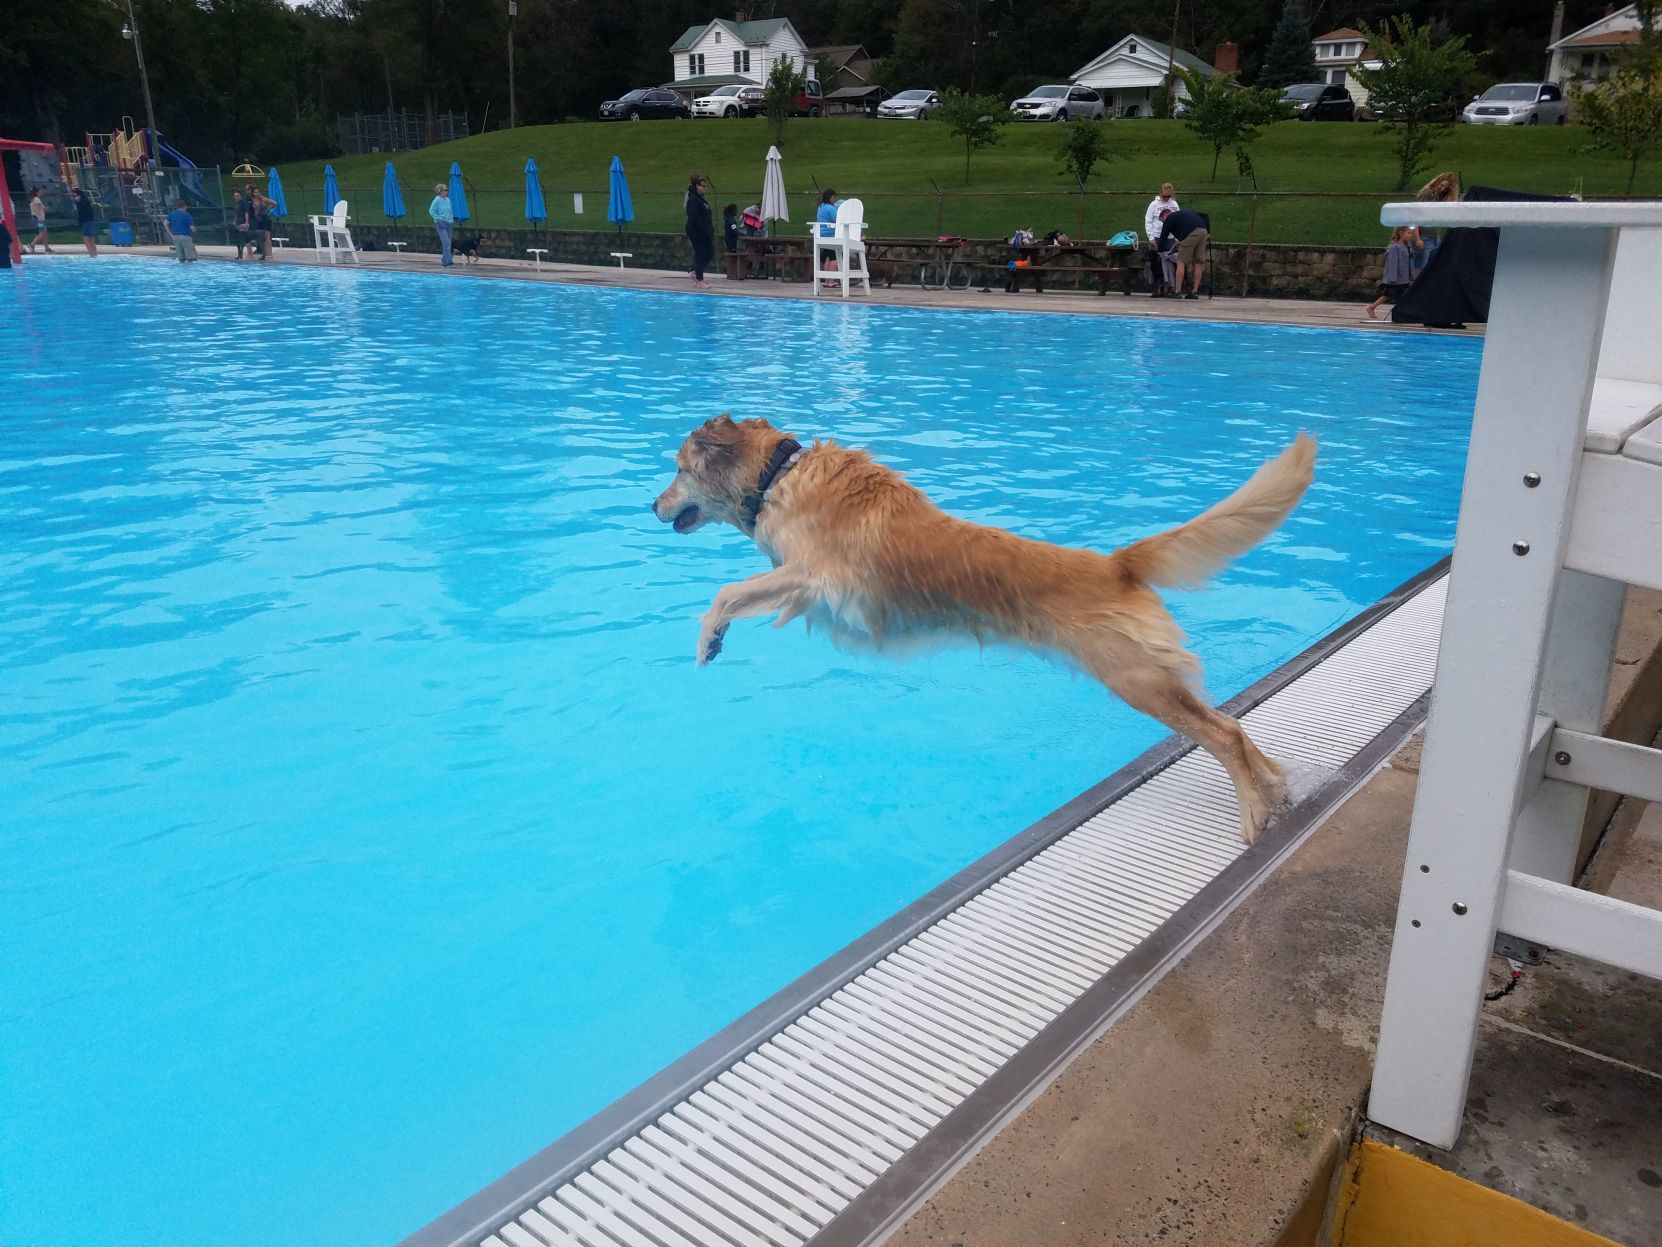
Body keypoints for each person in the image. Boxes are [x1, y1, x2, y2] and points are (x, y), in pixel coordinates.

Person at [1158, 205, 1210, 299]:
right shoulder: (1184, 213)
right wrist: (1208, 232)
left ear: (1165, 215)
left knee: (1180, 262)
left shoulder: (1169, 218)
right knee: (1198, 262)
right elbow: (1205, 216)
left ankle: (1177, 291)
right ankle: (1194, 291)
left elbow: (1163, 236)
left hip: (1191, 233)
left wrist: (1159, 251)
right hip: (1203, 230)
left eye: (1162, 221)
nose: (1164, 223)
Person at [1366, 226, 1415, 319]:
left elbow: (1409, 263)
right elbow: (1393, 263)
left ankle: (1403, 312)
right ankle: (1371, 307)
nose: (1411, 235)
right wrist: (1392, 278)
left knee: (1401, 296)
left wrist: (1410, 276)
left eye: (1411, 233)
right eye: (1409, 233)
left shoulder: (1407, 248)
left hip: (1404, 278)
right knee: (1387, 295)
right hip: (1395, 279)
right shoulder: (1394, 248)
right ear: (1401, 233)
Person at [1144, 182, 1179, 296]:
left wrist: (1177, 237)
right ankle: (1155, 286)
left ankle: (1169, 287)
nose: (1166, 198)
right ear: (1160, 193)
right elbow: (1148, 221)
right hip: (1157, 236)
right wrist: (1151, 237)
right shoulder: (1154, 205)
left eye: (1168, 196)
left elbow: (1178, 220)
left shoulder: (1174, 204)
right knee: (1155, 263)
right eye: (1164, 196)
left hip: (1170, 237)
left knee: (1170, 263)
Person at [684, 173, 713, 289]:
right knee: (700, 252)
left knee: (709, 252)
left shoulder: (701, 198)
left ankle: (694, 271)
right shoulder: (693, 199)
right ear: (696, 185)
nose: (704, 187)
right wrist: (703, 229)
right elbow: (693, 217)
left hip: (704, 230)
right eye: (702, 185)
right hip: (696, 230)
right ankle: (699, 278)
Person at [429, 183, 454, 268]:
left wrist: (451, 218)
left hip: (449, 223)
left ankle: (449, 261)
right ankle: (445, 262)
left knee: (449, 243)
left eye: (447, 190)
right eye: (445, 190)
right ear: (440, 191)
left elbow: (450, 210)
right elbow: (431, 210)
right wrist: (439, 218)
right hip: (440, 223)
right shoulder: (437, 200)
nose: (447, 191)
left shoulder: (448, 200)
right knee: (446, 242)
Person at [166, 198, 198, 262]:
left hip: (175, 237)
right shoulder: (186, 215)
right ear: (185, 206)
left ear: (177, 207)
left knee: (181, 258)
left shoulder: (172, 214)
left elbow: (165, 223)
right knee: (190, 258)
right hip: (185, 237)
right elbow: (192, 228)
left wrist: (170, 234)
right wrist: (195, 230)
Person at [72, 188, 98, 257]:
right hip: (90, 221)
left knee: (86, 239)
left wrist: (80, 223)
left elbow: (81, 214)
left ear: (79, 195)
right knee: (91, 239)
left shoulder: (81, 203)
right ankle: (94, 254)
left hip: (86, 222)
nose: (74, 198)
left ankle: (91, 254)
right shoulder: (87, 201)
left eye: (75, 196)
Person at [251, 190, 274, 260]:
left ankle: (269, 253)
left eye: (257, 192)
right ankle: (264, 252)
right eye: (254, 192)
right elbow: (255, 210)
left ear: (260, 193)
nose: (256, 193)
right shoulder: (254, 200)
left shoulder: (263, 199)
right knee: (260, 236)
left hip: (266, 219)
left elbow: (274, 203)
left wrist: (267, 209)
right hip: (259, 220)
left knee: (267, 236)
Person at [28, 188, 52, 254]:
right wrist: (39, 217)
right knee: (42, 233)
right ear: (37, 192)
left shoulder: (33, 200)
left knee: (45, 233)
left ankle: (47, 248)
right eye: (39, 191)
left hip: (38, 218)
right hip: (39, 219)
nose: (41, 192)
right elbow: (37, 209)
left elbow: (38, 208)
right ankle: (32, 244)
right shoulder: (36, 199)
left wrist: (43, 209)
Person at [231, 190, 253, 260]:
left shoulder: (244, 203)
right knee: (237, 239)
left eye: (238, 196)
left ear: (240, 196)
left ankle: (241, 253)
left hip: (242, 222)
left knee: (243, 238)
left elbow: (246, 213)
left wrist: (246, 222)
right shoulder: (237, 204)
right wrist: (234, 221)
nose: (236, 197)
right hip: (237, 222)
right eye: (235, 196)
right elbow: (236, 213)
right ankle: (239, 254)